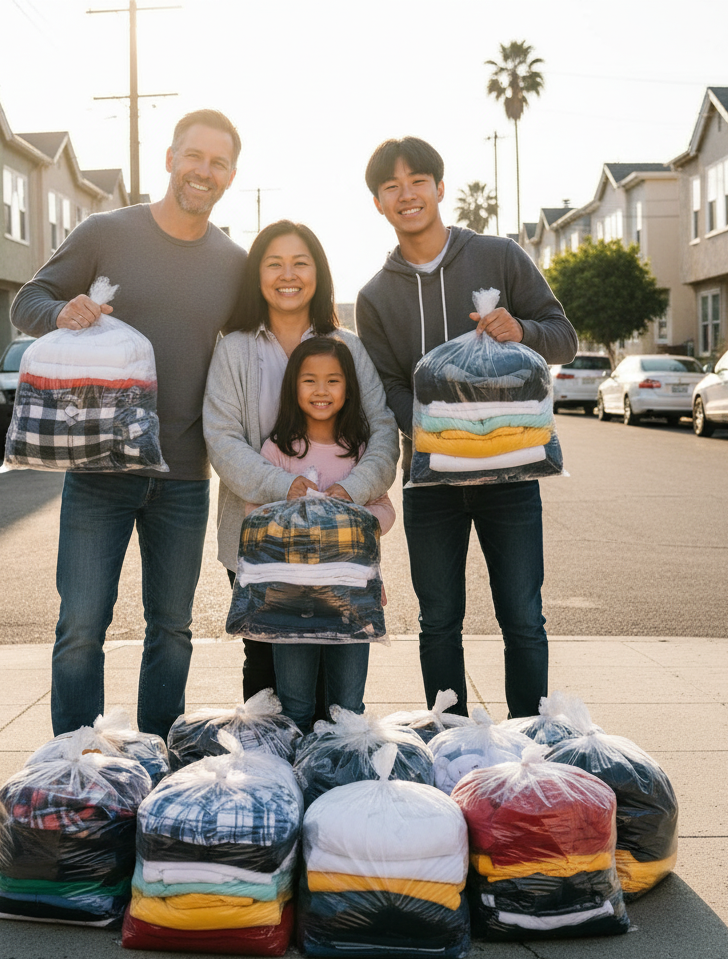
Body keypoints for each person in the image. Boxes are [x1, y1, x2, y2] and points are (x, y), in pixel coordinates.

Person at [10, 109, 246, 740]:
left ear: (230, 176)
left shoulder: (232, 262)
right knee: (82, 625)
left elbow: (265, 344)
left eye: (218, 163)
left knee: (171, 627)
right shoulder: (106, 232)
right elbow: (26, 302)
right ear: (169, 158)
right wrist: (65, 310)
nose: (204, 171)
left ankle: (157, 758)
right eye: (194, 156)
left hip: (184, 476)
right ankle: (74, 763)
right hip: (99, 468)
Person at [355, 136, 578, 719]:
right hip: (432, 479)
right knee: (438, 619)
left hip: (513, 472)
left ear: (440, 188)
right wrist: (448, 430)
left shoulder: (499, 256)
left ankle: (532, 739)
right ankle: (449, 737)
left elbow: (565, 337)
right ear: (378, 202)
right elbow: (387, 389)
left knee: (523, 615)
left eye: (417, 181)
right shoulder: (375, 295)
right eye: (391, 186)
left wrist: (521, 330)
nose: (407, 194)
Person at [203, 220, 399, 703]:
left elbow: (383, 429)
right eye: (274, 263)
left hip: (342, 543)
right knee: (266, 658)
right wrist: (282, 488)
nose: (287, 274)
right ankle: (272, 768)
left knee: (338, 655)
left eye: (300, 262)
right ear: (258, 275)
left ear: (318, 272)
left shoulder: (348, 346)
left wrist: (349, 496)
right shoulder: (234, 348)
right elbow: (222, 438)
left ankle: (331, 763)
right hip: (260, 536)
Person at [256, 337, 395, 732]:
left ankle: (341, 779)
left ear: (348, 387)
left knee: (348, 706)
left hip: (352, 596)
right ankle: (300, 779)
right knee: (296, 704)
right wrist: (291, 508)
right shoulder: (279, 451)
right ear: (293, 387)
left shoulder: (359, 449)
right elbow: (256, 515)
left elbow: (385, 509)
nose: (321, 390)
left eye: (333, 380)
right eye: (309, 380)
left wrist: (350, 512)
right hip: (290, 600)